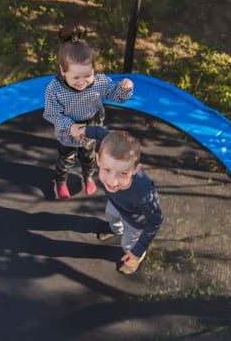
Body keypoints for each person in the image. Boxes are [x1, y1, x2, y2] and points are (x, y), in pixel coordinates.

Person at [43, 24, 134, 200]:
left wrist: (125, 89)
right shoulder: (55, 88)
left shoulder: (100, 82)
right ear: (63, 71)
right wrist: (70, 127)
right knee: (66, 159)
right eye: (75, 77)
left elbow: (117, 96)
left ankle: (88, 177)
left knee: (89, 156)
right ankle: (60, 181)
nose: (82, 82)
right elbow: (51, 113)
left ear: (94, 68)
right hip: (68, 128)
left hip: (92, 126)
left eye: (87, 75)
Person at [72, 123, 163, 274]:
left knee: (128, 244)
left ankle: (134, 260)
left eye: (122, 174)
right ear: (98, 160)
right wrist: (85, 130)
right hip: (116, 203)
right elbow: (105, 135)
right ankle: (116, 230)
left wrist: (138, 251)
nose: (112, 182)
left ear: (135, 170)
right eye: (107, 170)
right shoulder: (111, 147)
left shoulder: (143, 195)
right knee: (111, 216)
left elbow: (155, 221)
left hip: (136, 222)